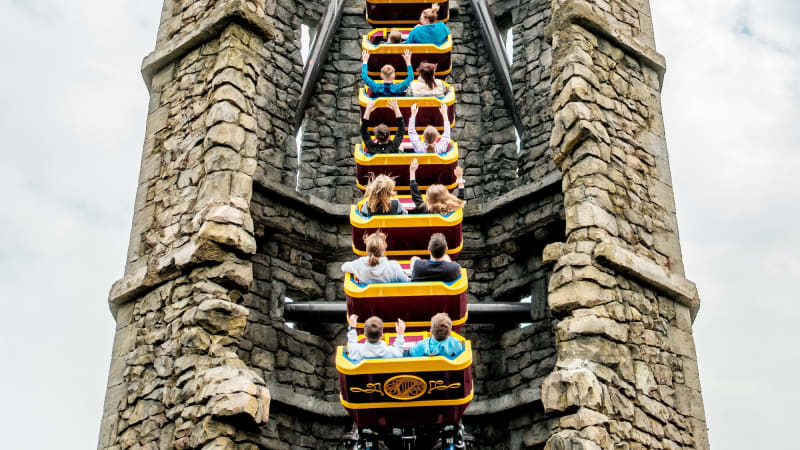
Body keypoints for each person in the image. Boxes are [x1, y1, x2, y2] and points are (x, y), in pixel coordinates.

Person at [342, 232, 409, 283]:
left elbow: (344, 267)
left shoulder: (359, 264)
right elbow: (407, 282)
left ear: (367, 249)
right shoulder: (394, 267)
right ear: (384, 249)